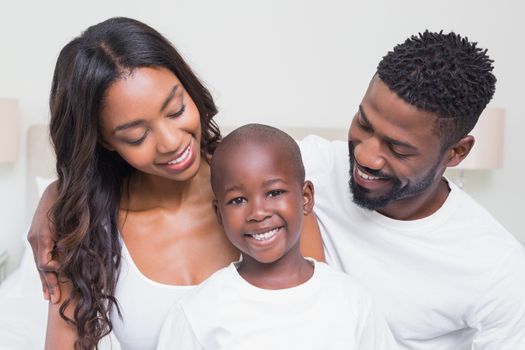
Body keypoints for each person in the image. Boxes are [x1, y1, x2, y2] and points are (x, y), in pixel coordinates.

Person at [31, 17, 324, 350]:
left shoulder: (274, 193)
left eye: (176, 109)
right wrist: (58, 195)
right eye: (137, 136)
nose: (171, 142)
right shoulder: (82, 229)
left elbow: (325, 319)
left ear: (190, 88)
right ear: (105, 141)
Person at [299, 31, 525, 349]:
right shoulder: (300, 168)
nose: (365, 155)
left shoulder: (497, 268)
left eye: (397, 148)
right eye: (363, 124)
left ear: (456, 153)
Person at [156, 123, 397, 350]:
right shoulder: (198, 311)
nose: (258, 213)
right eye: (238, 200)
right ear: (219, 213)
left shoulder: (352, 301)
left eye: (274, 192)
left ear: (305, 197)